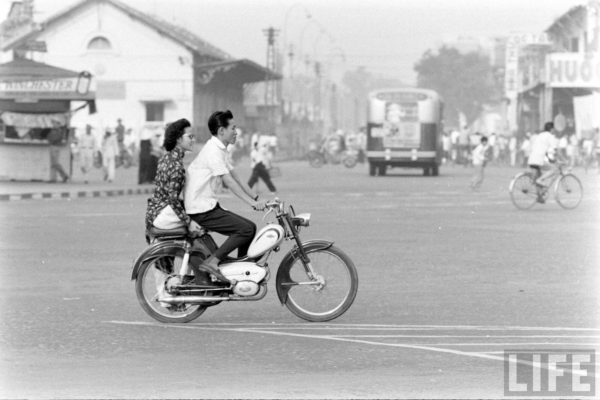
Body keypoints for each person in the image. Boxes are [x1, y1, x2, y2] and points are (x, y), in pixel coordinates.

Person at [184, 110, 266, 283]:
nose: (236, 132)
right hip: (201, 208)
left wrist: (257, 199)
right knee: (245, 229)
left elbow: (235, 176)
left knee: (249, 226)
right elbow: (228, 181)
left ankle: (243, 270)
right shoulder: (213, 151)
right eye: (233, 128)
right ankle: (213, 262)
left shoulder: (220, 149)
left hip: (207, 205)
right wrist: (251, 203)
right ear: (221, 131)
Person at [145, 118, 202, 233]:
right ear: (179, 139)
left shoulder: (166, 157)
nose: (193, 140)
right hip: (164, 213)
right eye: (190, 137)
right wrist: (188, 222)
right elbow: (172, 199)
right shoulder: (176, 165)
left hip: (154, 212)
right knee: (204, 219)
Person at [528, 122, 559, 202]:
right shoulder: (550, 136)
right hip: (539, 159)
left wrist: (549, 158)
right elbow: (555, 150)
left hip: (532, 158)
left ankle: (540, 196)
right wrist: (564, 159)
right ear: (551, 129)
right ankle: (540, 181)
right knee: (554, 169)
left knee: (538, 177)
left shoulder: (540, 135)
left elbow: (541, 148)